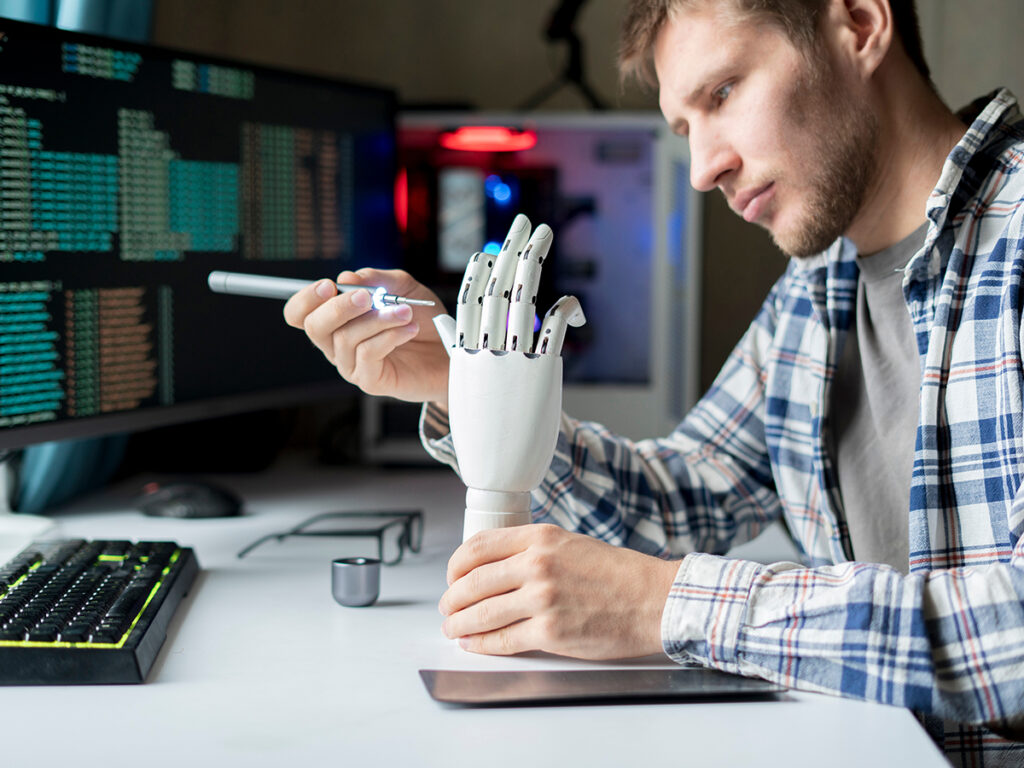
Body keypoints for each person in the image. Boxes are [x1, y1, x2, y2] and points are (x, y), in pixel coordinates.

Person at [283, 0, 1024, 763]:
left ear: (860, 26)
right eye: (684, 127)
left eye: (723, 92)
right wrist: (461, 386)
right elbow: (677, 500)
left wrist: (667, 604)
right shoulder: (815, 292)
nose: (703, 170)